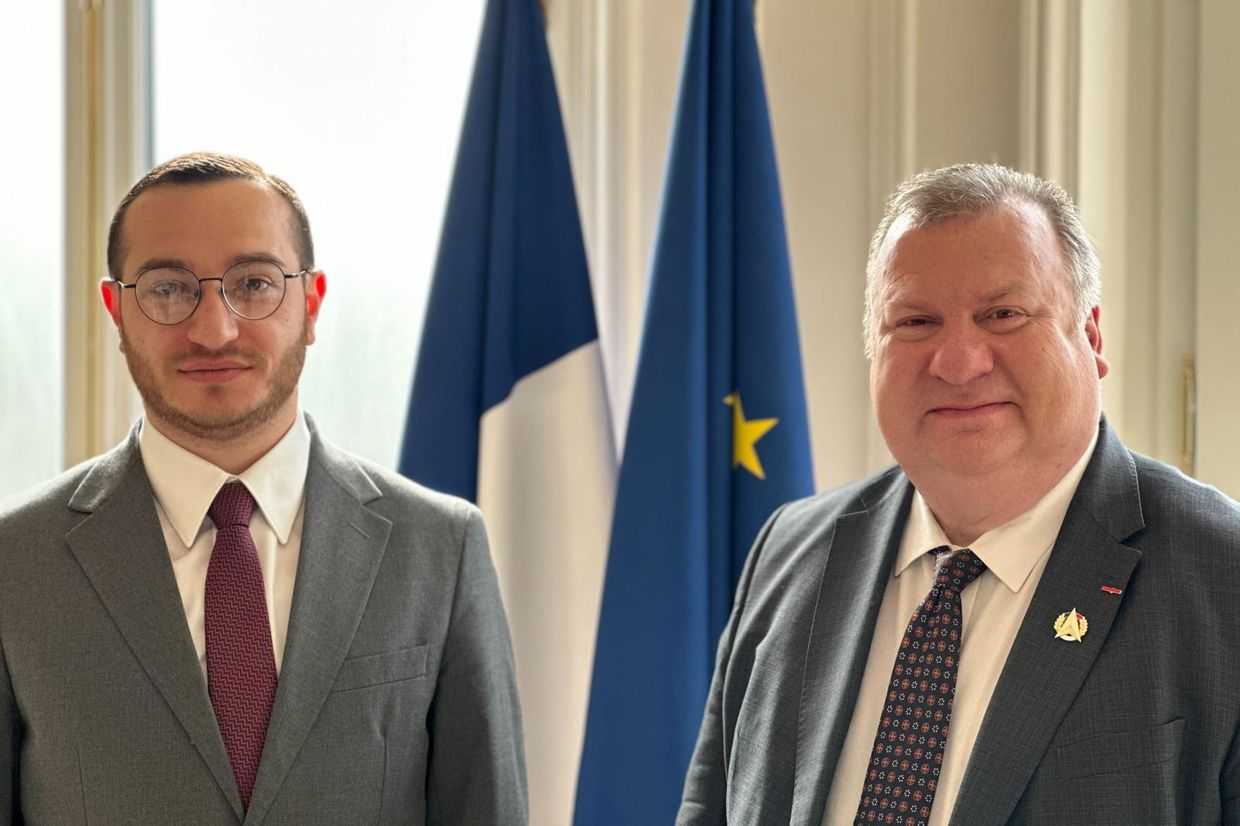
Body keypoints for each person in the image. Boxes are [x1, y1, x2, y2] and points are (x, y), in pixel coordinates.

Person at [677, 163, 1240, 825]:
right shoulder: (790, 552)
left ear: (1090, 336)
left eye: (1003, 315)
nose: (960, 360)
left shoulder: (1219, 577)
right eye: (916, 323)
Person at [0, 152, 527, 825]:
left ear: (311, 304)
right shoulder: (16, 561)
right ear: (117, 312)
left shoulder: (440, 549)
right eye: (168, 288)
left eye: (253, 284)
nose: (213, 329)